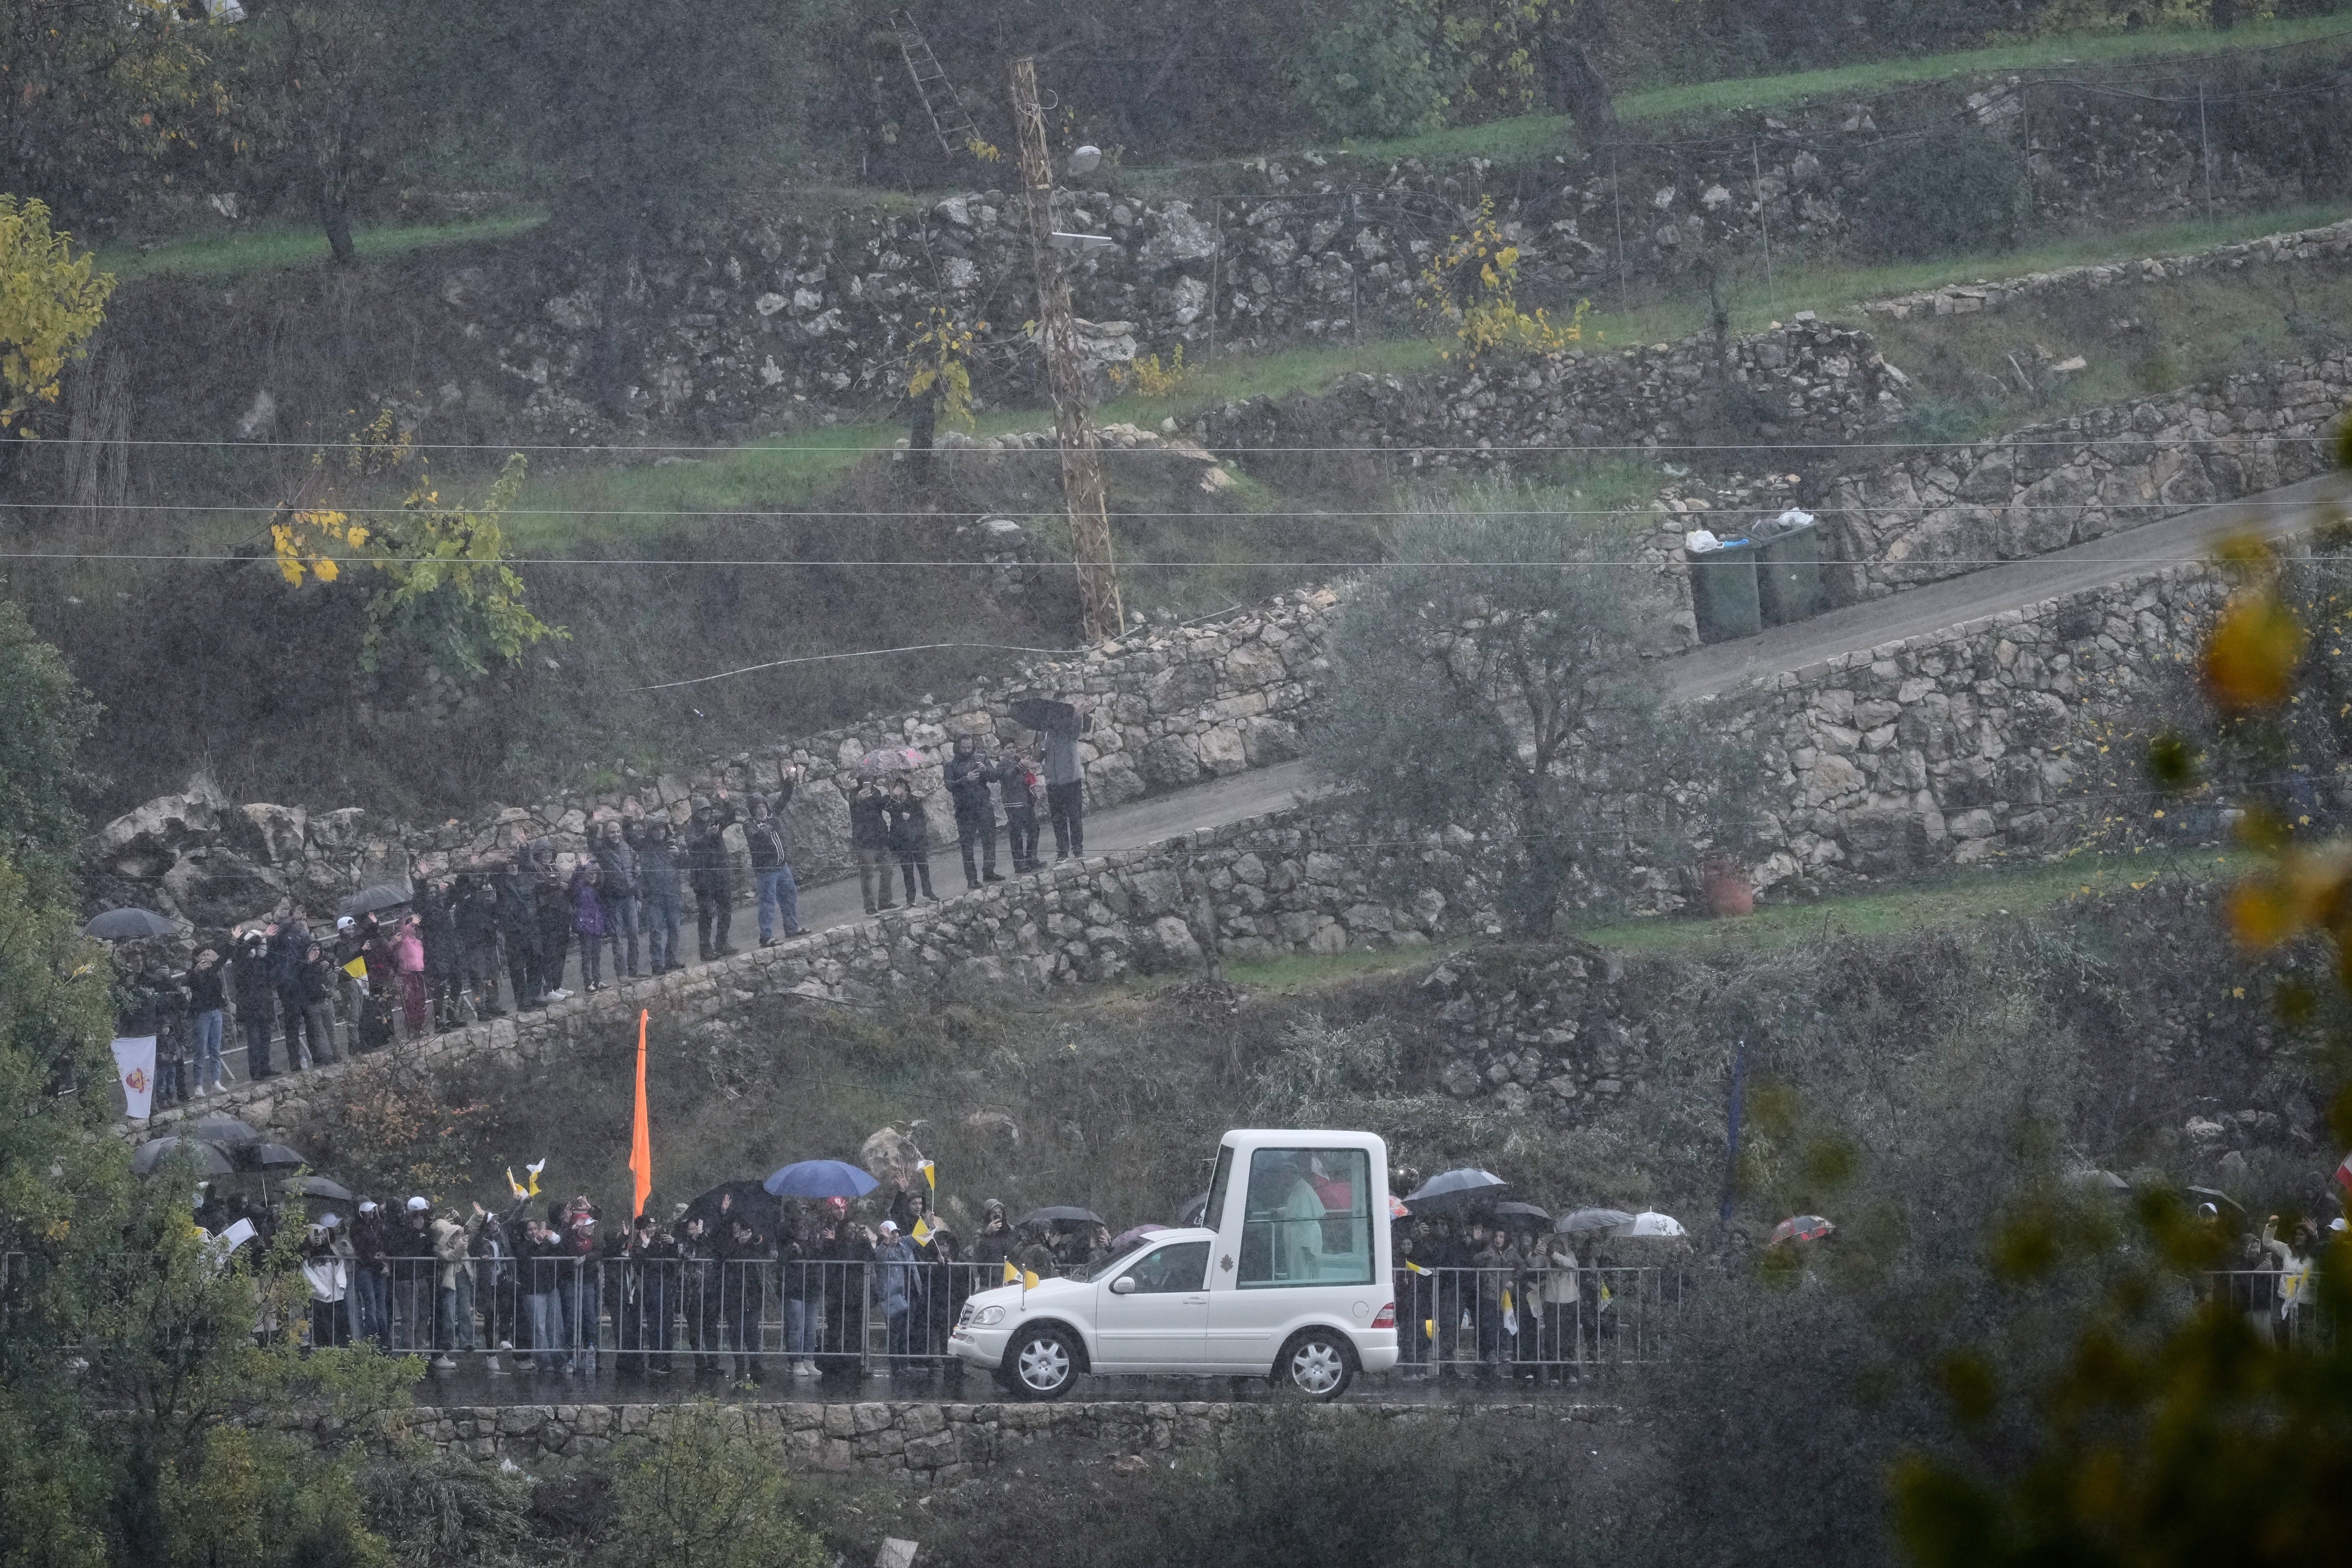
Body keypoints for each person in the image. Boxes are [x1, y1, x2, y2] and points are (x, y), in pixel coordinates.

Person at [747, 780, 806, 946]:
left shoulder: (772, 816)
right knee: (768, 902)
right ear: (752, 811)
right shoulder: (749, 825)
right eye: (757, 808)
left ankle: (792, 928)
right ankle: (766, 936)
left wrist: (789, 780)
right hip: (766, 871)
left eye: (763, 807)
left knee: (790, 895)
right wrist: (764, 830)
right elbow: (755, 836)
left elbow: (785, 798)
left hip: (782, 866)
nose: (762, 810)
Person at [945, 736, 1004, 891]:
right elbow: (949, 785)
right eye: (964, 747)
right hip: (964, 809)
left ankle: (989, 871)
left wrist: (985, 771)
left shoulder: (981, 757)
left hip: (983, 804)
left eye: (969, 747)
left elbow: (994, 777)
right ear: (958, 747)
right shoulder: (951, 764)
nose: (967, 750)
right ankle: (972, 879)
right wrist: (966, 779)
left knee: (989, 839)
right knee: (968, 845)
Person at [717, 1213, 767, 1386]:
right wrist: (738, 1243)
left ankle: (755, 1364)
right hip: (733, 1293)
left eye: (740, 1227)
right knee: (736, 1332)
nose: (737, 1230)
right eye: (735, 1227)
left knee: (752, 1331)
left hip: (751, 1293)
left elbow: (763, 1248)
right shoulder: (727, 1240)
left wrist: (754, 1239)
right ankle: (739, 1365)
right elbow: (724, 1255)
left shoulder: (751, 1239)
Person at [431, 1205, 481, 1369]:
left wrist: (478, 1215)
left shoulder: (460, 1237)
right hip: (449, 1279)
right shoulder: (439, 1248)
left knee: (466, 1311)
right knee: (449, 1311)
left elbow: (470, 1228)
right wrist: (461, 1246)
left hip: (464, 1276)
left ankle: (467, 1341)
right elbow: (453, 1257)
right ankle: (448, 1340)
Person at [873, 1218, 923, 1373]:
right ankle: (895, 1365)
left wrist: (928, 1222)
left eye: (896, 1232)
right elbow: (880, 1258)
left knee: (906, 1330)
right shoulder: (882, 1250)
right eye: (891, 1232)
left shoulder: (905, 1244)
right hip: (893, 1296)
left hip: (910, 1292)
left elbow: (921, 1236)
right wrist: (886, 1242)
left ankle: (905, 1363)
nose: (895, 1235)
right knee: (895, 1330)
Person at [597, 820, 644, 980]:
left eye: (618, 831)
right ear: (606, 834)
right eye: (612, 832)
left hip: (630, 898)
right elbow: (592, 843)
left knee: (634, 935)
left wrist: (638, 897)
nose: (616, 835)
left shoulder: (628, 849)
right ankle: (622, 974)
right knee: (617, 938)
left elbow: (635, 874)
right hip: (614, 899)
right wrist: (593, 825)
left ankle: (634, 971)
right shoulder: (603, 851)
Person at [451, 877, 503, 1018]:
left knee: (492, 974)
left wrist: (492, 904)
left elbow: (494, 914)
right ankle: (481, 1008)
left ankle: (492, 1003)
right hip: (473, 943)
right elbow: (460, 922)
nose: (478, 880)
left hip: (488, 939)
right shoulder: (463, 899)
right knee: (478, 977)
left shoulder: (485, 893)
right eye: (475, 878)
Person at [267, 910, 312, 1073]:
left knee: (311, 1019)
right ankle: (295, 1060)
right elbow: (276, 939)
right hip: (287, 984)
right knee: (292, 1024)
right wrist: (290, 922)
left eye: (304, 919)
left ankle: (318, 1055)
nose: (302, 921)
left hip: (302, 982)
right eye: (300, 918)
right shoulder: (282, 934)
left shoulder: (304, 936)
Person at [1042, 701, 1087, 860]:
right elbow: (1038, 757)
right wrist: (1038, 749)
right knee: (1058, 818)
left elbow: (1078, 729)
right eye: (1050, 718)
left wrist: (1078, 715)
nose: (1052, 721)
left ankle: (1078, 849)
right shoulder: (1045, 736)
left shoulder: (1069, 733)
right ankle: (1062, 851)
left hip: (1071, 780)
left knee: (1074, 816)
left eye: (1054, 718)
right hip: (1053, 783)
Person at [497, 858, 544, 1009]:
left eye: (517, 864)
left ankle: (533, 996)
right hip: (514, 931)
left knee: (536, 962)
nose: (514, 867)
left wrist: (525, 848)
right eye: (510, 864)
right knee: (517, 967)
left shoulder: (526, 878)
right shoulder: (501, 882)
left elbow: (531, 865)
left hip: (531, 927)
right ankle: (522, 1000)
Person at [230, 928, 277, 1080]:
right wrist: (260, 936)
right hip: (250, 1005)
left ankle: (265, 1066)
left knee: (266, 1037)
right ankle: (255, 1070)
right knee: (254, 1038)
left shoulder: (262, 961)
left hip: (264, 1003)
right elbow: (242, 950)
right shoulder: (242, 960)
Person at [417, 878, 462, 1031]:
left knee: (457, 982)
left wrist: (448, 885)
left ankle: (451, 1016)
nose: (433, 895)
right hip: (435, 952)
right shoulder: (424, 911)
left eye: (435, 892)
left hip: (450, 949)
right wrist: (422, 880)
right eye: (430, 893)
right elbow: (420, 901)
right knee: (440, 987)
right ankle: (439, 1022)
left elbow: (456, 894)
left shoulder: (442, 905)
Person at [302, 1216, 353, 1348]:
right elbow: (310, 1276)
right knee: (324, 1328)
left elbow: (339, 1267)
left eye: (323, 1234)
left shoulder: (331, 1252)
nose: (321, 1238)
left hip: (337, 1297)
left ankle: (342, 1348)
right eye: (318, 1235)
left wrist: (341, 1285)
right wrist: (324, 1292)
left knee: (340, 1325)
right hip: (320, 1298)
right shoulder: (309, 1257)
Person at [884, 778, 937, 905]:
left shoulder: (914, 801)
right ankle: (911, 898)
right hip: (902, 842)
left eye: (902, 788)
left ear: (907, 790)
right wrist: (893, 796)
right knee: (907, 871)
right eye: (897, 788)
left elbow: (922, 820)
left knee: (924, 868)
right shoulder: (893, 802)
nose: (900, 791)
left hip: (917, 840)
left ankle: (927, 892)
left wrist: (910, 819)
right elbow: (885, 807)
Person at [532, 844, 573, 1000]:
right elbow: (540, 887)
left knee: (560, 952)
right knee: (548, 953)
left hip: (561, 913)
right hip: (546, 914)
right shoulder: (535, 869)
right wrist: (557, 886)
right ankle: (549, 990)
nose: (547, 855)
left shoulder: (555, 868)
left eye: (549, 852)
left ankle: (557, 986)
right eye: (543, 852)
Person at [186, 947, 228, 1096]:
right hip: (201, 1014)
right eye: (203, 955)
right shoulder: (192, 972)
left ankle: (216, 1081)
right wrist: (197, 971)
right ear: (196, 958)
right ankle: (198, 1085)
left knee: (215, 1049)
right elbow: (188, 982)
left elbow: (224, 957)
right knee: (201, 1050)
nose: (206, 958)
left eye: (208, 955)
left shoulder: (213, 970)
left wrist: (232, 941)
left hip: (215, 1011)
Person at [349, 1199, 390, 1348]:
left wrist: (383, 1256)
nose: (372, 1212)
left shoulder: (377, 1224)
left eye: (373, 1209)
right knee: (371, 1306)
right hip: (366, 1269)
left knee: (381, 1306)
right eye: (368, 1210)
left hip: (378, 1268)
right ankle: (373, 1340)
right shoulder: (356, 1227)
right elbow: (364, 1252)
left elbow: (382, 1244)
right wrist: (381, 1265)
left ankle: (383, 1339)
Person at [850, 776, 894, 915]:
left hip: (880, 836)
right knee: (868, 874)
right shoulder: (854, 793)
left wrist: (892, 795)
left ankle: (885, 902)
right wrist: (858, 800)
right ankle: (870, 907)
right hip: (864, 840)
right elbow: (853, 811)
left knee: (888, 870)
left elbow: (883, 808)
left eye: (873, 777)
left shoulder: (877, 792)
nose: (871, 780)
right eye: (868, 777)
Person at [297, 940, 341, 1067]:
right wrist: (309, 963)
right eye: (313, 950)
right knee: (320, 1032)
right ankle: (326, 1056)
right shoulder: (303, 966)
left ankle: (337, 1054)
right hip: (312, 1003)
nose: (316, 953)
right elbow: (301, 979)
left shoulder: (323, 965)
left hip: (326, 1001)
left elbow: (330, 982)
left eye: (318, 950)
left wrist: (334, 973)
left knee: (332, 1029)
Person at [999, 751, 1042, 874]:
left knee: (1034, 829)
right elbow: (1006, 777)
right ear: (1003, 750)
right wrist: (1019, 767)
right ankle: (1019, 864)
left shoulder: (1019, 761)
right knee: (1016, 833)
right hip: (1013, 803)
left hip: (1025, 801)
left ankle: (1031, 859)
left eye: (1013, 747)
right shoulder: (1002, 764)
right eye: (1008, 748)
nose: (1012, 750)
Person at [569, 859, 609, 993]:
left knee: (597, 955)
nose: (593, 876)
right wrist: (581, 867)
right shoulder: (580, 887)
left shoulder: (598, 888)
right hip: (585, 925)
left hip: (597, 925)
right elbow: (573, 885)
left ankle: (597, 981)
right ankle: (588, 983)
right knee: (587, 956)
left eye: (595, 873)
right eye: (590, 873)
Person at [392, 915, 428, 1040]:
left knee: (421, 1002)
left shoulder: (418, 942)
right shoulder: (403, 941)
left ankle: (420, 1028)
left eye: (415, 926)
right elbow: (403, 931)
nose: (413, 928)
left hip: (419, 975)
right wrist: (410, 922)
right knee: (410, 1003)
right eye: (411, 926)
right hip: (406, 975)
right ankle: (412, 1029)